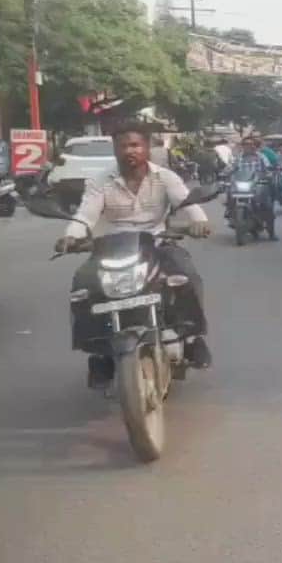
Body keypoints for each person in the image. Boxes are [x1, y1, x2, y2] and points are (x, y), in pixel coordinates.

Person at [54, 121, 213, 387]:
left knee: (186, 274)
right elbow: (86, 215)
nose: (130, 150)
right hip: (111, 245)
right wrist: (71, 236)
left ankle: (193, 338)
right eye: (123, 145)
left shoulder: (166, 177)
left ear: (147, 148)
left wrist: (200, 222)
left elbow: (190, 206)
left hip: (158, 242)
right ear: (115, 150)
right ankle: (98, 353)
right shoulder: (100, 181)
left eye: (136, 145)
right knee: (84, 286)